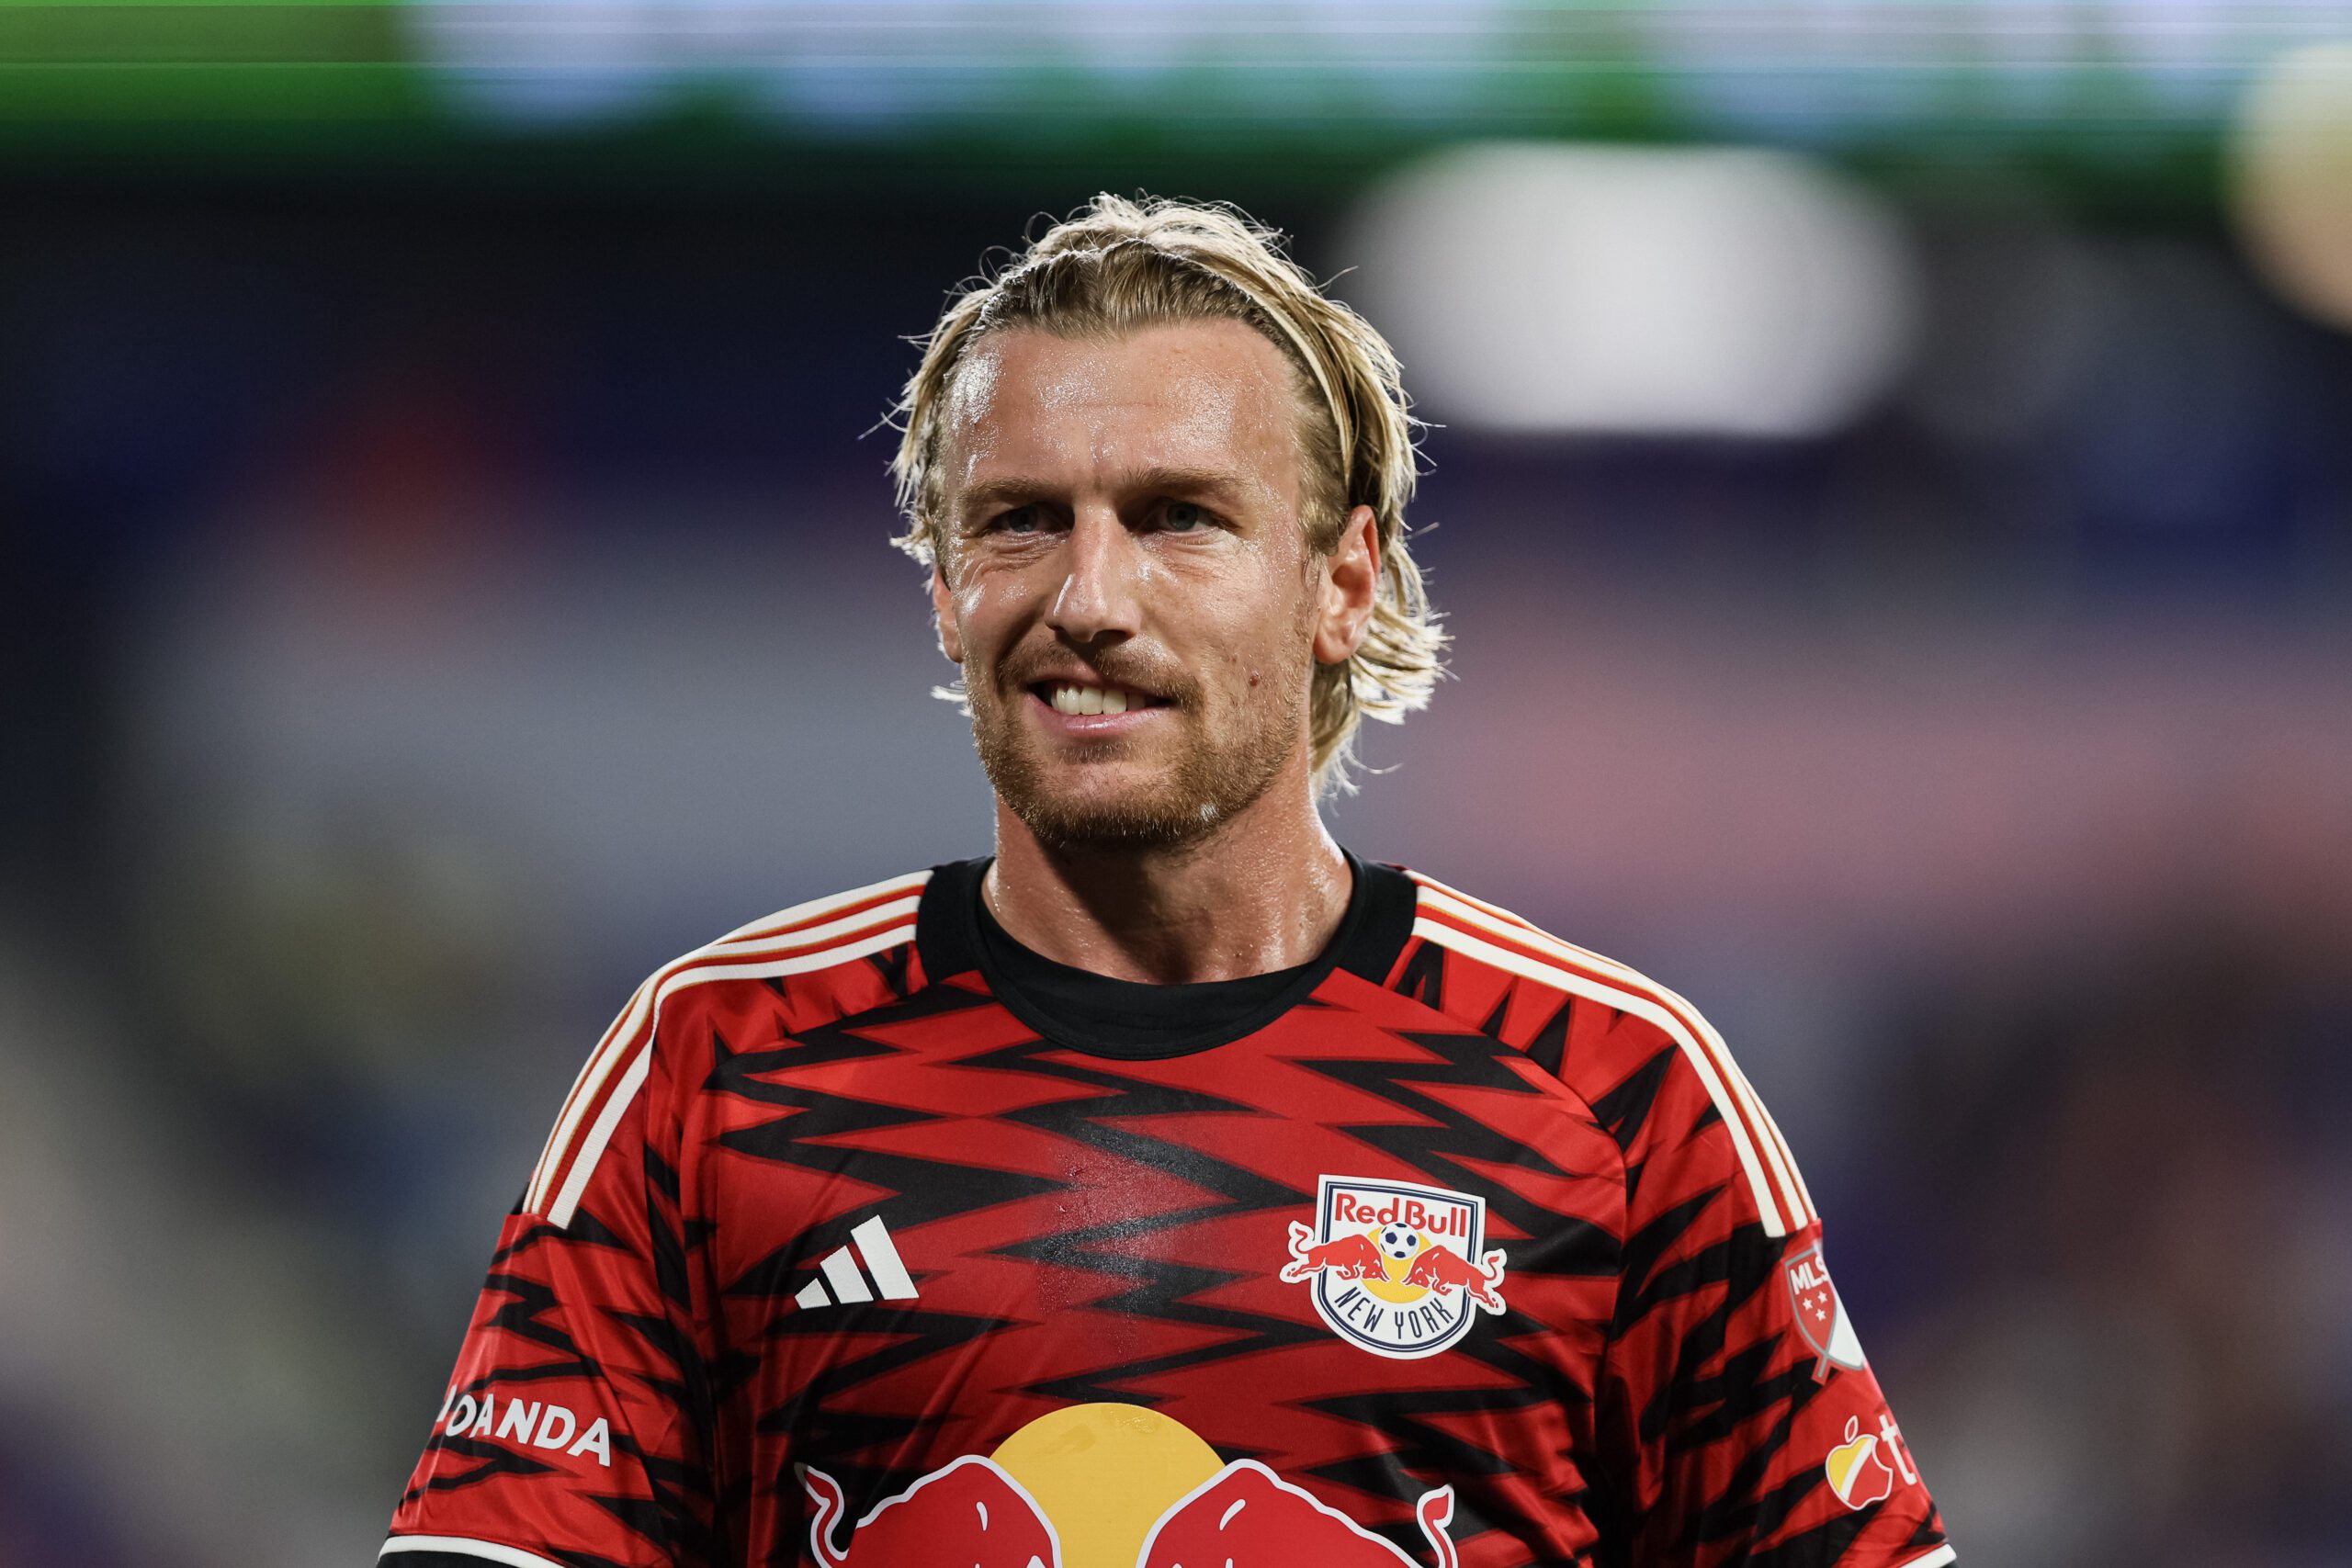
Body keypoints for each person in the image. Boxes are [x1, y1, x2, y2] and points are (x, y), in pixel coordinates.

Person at [380, 195, 1952, 1568]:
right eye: (1019, 523)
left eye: (1178, 519)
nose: (1090, 596)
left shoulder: (1615, 1093)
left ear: (1342, 578)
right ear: (943, 591)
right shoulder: (716, 1064)